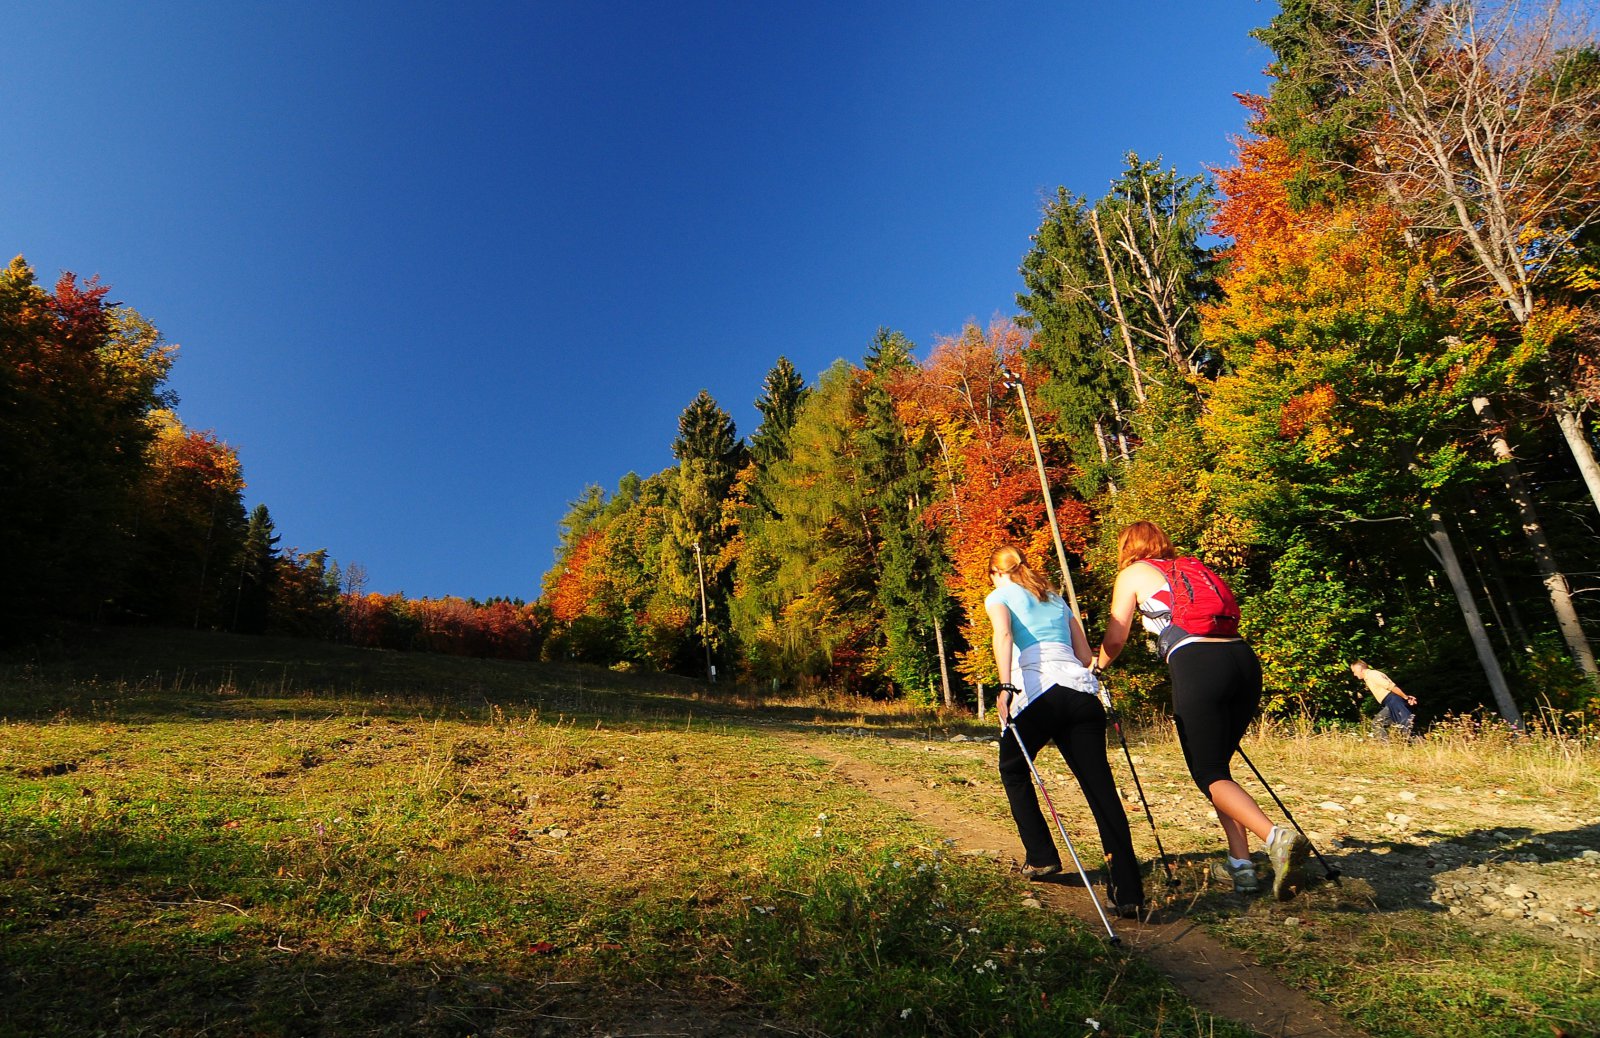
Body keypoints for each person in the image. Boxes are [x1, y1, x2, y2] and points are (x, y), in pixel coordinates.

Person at [1093, 521, 1311, 901]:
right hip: (1242, 660)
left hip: (1198, 663)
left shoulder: (1132, 573)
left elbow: (1116, 635)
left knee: (1208, 771)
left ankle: (1276, 838)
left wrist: (1094, 669)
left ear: (1128, 546)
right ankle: (1240, 867)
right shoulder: (1193, 569)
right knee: (1220, 770)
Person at [985, 544, 1144, 917]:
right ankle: (1129, 891)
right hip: (1080, 694)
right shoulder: (1056, 600)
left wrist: (1006, 687)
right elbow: (1086, 655)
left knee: (1012, 768)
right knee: (1100, 788)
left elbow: (1004, 637)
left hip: (1040, 694)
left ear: (996, 572)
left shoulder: (999, 596)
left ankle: (1041, 855)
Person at [1351, 660, 1416, 739]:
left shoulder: (1372, 675)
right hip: (1390, 702)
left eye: (1354, 671)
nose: (1354, 674)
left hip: (1393, 701)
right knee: (1378, 723)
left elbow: (1391, 686)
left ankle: (1420, 745)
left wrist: (1405, 697)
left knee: (1406, 728)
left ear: (1359, 668)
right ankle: (1386, 747)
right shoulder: (1368, 677)